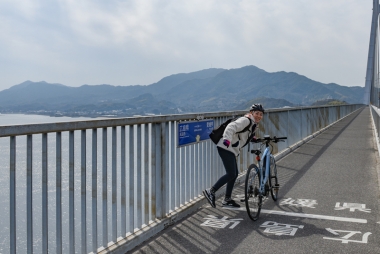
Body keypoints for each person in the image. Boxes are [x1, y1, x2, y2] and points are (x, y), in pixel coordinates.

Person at [203, 104, 265, 208]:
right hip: (225, 147)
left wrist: (253, 138)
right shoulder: (246, 120)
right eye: (256, 113)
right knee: (231, 173)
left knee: (234, 174)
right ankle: (211, 191)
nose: (259, 116)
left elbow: (243, 134)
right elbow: (231, 127)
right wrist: (227, 139)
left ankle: (227, 200)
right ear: (251, 113)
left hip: (230, 149)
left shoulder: (253, 124)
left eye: (261, 114)